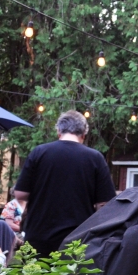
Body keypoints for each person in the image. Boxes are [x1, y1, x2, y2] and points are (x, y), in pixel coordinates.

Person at [14, 110, 116, 257]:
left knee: (36, 272)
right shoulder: (95, 158)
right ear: (84, 134)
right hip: (78, 239)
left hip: (39, 236)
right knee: (73, 272)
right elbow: (104, 204)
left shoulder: (39, 152)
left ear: (59, 131)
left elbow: (20, 194)